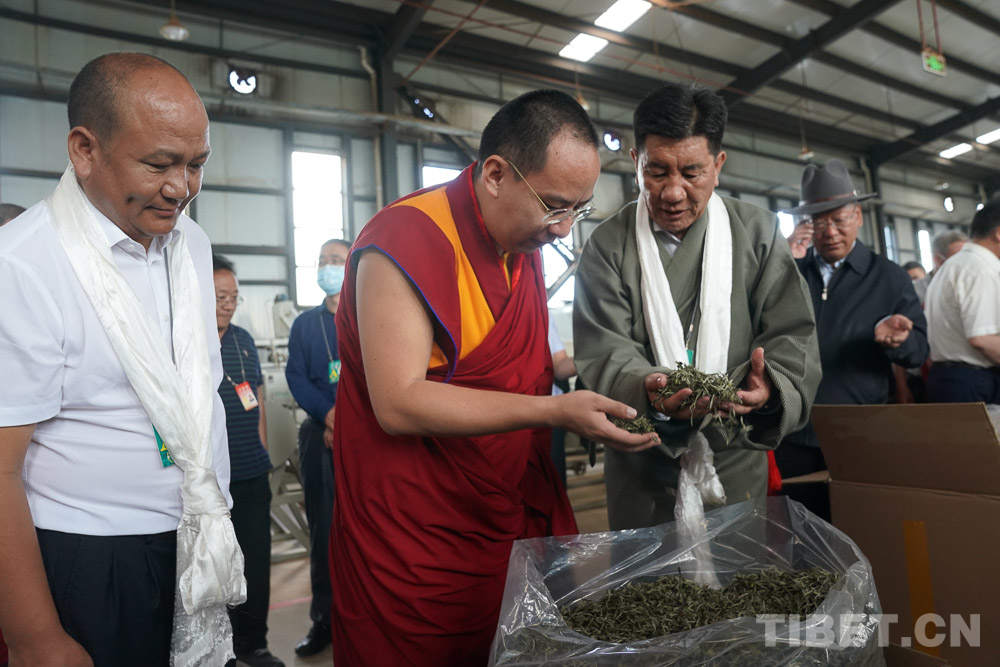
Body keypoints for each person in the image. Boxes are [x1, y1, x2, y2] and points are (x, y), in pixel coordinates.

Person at [330, 89, 656, 667]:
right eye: (554, 206)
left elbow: (530, 363)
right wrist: (554, 411)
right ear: (497, 174)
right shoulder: (406, 238)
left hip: (501, 511)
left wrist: (624, 377)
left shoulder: (520, 244)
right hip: (415, 530)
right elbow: (397, 402)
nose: (563, 230)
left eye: (578, 211)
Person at [0, 53, 242, 667]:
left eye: (196, 164)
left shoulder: (189, 242)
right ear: (85, 150)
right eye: (158, 164)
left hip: (199, 535)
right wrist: (34, 637)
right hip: (94, 554)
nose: (181, 188)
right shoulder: (24, 265)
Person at [573, 82, 821, 531]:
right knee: (650, 572)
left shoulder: (758, 234)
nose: (673, 192)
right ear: (635, 161)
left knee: (741, 566)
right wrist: (648, 388)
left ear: (718, 165)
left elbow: (792, 333)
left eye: (692, 173)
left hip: (734, 455)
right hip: (643, 462)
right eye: (656, 172)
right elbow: (603, 347)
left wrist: (770, 386)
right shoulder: (608, 245)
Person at [778, 159, 928, 516]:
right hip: (794, 430)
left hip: (858, 431)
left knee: (860, 521)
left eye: (839, 220)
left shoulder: (888, 277)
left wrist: (899, 341)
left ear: (858, 216)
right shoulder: (789, 274)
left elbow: (919, 350)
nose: (829, 232)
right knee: (797, 526)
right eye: (819, 222)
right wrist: (780, 260)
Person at [213, 256, 284, 667]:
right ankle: (217, 649)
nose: (228, 305)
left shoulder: (243, 340)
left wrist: (262, 452)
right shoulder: (185, 339)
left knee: (255, 565)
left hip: (252, 473)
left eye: (233, 298)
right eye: (220, 297)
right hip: (210, 481)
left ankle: (253, 645)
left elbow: (255, 400)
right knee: (213, 569)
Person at [283, 238, 349, 657]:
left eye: (336, 260)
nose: (328, 266)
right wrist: (327, 415)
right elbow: (297, 377)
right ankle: (324, 619)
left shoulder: (368, 314)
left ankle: (364, 614)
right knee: (323, 530)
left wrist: (347, 420)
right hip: (318, 432)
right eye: (322, 260)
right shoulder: (306, 325)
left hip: (365, 434)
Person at [924, 197, 1000, 403]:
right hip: (973, 382)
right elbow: (982, 338)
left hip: (950, 378)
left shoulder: (955, 265)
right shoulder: (981, 270)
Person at [912, 229, 967, 302]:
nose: (966, 263)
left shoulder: (969, 286)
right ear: (938, 259)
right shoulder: (915, 292)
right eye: (958, 258)